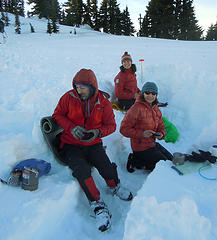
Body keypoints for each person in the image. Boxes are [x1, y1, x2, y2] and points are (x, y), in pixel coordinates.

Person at [52, 69, 133, 232]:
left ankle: (114, 186)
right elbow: (57, 115)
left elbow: (111, 125)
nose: (78, 90)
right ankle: (97, 205)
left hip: (93, 142)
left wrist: (98, 132)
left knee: (105, 164)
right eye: (76, 86)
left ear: (92, 87)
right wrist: (71, 127)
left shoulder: (103, 102)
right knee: (81, 170)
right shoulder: (68, 97)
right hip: (71, 144)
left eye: (82, 87)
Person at [120, 82, 173, 172]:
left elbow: (161, 125)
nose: (150, 96)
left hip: (152, 144)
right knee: (164, 167)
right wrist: (142, 134)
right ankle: (137, 160)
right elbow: (123, 129)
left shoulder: (155, 108)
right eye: (147, 92)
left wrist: (161, 134)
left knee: (171, 161)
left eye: (153, 93)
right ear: (143, 93)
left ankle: (142, 161)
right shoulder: (136, 108)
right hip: (140, 148)